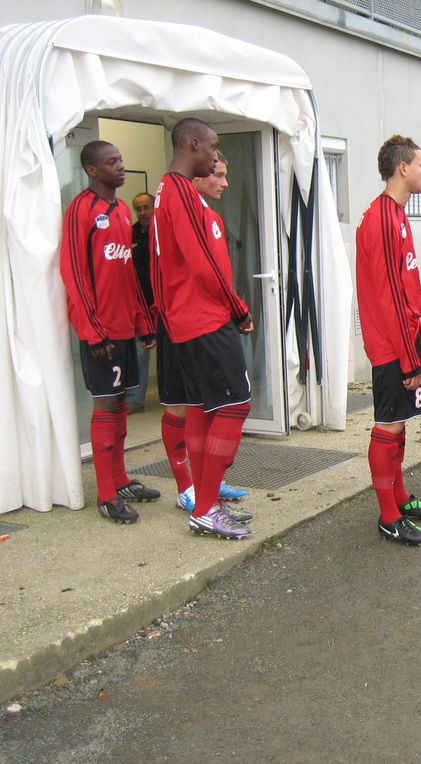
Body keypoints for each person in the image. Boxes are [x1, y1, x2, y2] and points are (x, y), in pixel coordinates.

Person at [151, 119, 254, 539]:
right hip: (206, 319)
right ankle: (207, 506)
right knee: (235, 406)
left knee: (202, 408)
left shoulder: (168, 192)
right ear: (192, 143)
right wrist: (238, 307)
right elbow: (202, 265)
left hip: (188, 321)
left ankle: (203, 500)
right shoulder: (179, 192)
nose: (215, 156)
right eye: (212, 147)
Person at [59, 140, 160, 524]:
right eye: (112, 162)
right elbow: (75, 274)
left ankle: (120, 480)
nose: (121, 166)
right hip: (99, 333)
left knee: (121, 407)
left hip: (123, 329)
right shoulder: (80, 210)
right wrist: (92, 329)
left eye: (120, 159)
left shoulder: (120, 211)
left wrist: (143, 322)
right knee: (105, 405)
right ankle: (105, 494)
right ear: (92, 170)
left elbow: (127, 273)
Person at [356, 135, 421, 546]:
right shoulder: (381, 218)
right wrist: (408, 358)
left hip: (407, 338)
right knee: (388, 423)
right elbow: (389, 295)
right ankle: (388, 516)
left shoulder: (397, 214)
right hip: (393, 346)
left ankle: (400, 497)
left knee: (401, 422)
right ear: (402, 168)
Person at [125, 192, 155, 413]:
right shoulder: (131, 234)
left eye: (147, 207)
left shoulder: (163, 229)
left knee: (173, 351)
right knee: (139, 351)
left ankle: (176, 395)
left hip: (164, 304)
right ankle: (135, 398)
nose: (143, 212)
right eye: (139, 208)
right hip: (139, 303)